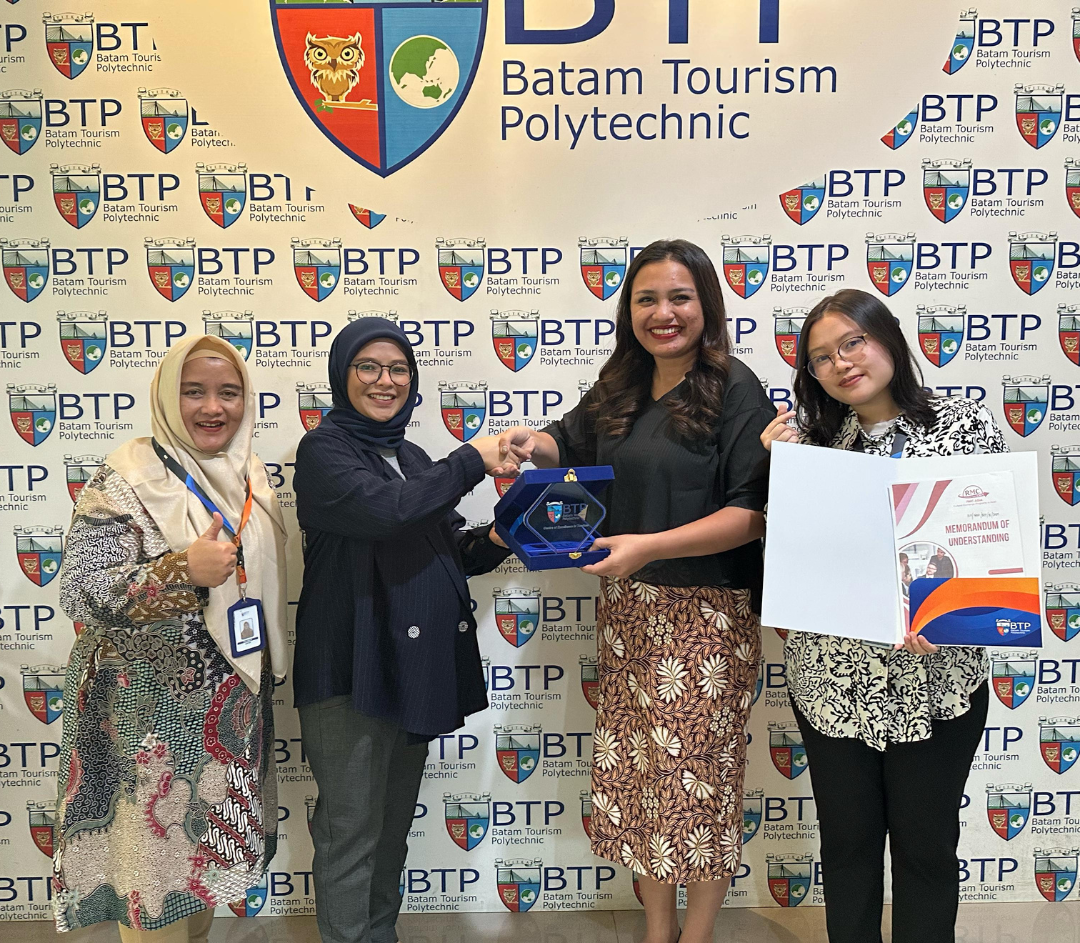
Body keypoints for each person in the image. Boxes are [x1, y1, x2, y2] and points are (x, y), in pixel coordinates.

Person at [499, 240, 773, 943]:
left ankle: (697, 936)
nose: (662, 313)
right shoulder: (622, 381)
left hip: (707, 616)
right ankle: (657, 930)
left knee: (700, 787)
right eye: (646, 299)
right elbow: (568, 443)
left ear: (706, 304)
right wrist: (533, 443)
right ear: (629, 310)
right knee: (644, 781)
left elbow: (751, 515)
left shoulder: (736, 388)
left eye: (679, 297)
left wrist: (649, 545)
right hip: (627, 612)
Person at [760, 288, 1005, 943]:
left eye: (852, 342)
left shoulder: (964, 424)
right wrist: (776, 470)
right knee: (847, 848)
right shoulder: (812, 446)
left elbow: (990, 540)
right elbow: (789, 558)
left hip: (938, 681)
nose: (840, 363)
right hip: (832, 685)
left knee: (927, 848)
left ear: (887, 337)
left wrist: (950, 616)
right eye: (821, 358)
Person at [52, 336, 289, 940]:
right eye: (193, 392)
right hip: (145, 721)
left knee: (206, 874)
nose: (213, 407)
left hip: (227, 709)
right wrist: (180, 569)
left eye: (228, 392)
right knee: (151, 884)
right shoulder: (127, 477)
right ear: (164, 397)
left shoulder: (250, 474)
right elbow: (80, 591)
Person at [292, 317, 516, 943]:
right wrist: (471, 459)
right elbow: (386, 513)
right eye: (367, 366)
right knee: (350, 832)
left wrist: (503, 535)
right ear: (342, 375)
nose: (384, 381)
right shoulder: (324, 450)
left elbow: (448, 549)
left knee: (390, 831)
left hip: (407, 669)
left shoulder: (412, 458)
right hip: (348, 668)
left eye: (398, 369)